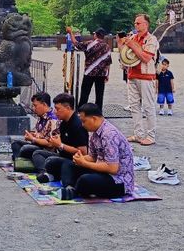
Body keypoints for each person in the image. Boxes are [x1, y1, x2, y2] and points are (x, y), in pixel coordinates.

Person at [60, 103, 135, 201]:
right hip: (102, 172)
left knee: (85, 180)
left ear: (94, 119)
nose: (82, 125)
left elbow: (112, 168)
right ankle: (69, 188)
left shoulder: (109, 135)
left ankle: (75, 191)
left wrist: (84, 163)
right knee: (68, 164)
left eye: (84, 121)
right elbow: (92, 157)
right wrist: (80, 159)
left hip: (118, 181)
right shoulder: (94, 133)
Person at [117, 13, 159, 146]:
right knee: (134, 106)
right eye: (135, 23)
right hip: (132, 75)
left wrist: (131, 44)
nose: (136, 25)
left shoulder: (151, 39)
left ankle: (151, 136)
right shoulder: (133, 37)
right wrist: (121, 45)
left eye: (138, 23)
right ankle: (139, 134)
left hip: (146, 77)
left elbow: (146, 57)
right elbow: (124, 57)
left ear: (146, 25)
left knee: (148, 107)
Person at [33, 93, 88, 182]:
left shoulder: (77, 125)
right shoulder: (63, 123)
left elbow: (83, 152)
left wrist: (60, 145)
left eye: (58, 109)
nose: (55, 112)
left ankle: (56, 176)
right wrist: (52, 140)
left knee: (51, 161)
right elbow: (58, 143)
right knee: (38, 153)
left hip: (73, 160)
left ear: (68, 108)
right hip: (62, 156)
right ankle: (50, 174)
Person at [66, 26, 112, 110]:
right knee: (99, 95)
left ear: (95, 35)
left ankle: (81, 110)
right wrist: (107, 74)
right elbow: (108, 63)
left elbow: (75, 43)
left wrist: (70, 32)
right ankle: (98, 112)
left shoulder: (90, 44)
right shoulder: (107, 47)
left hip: (89, 72)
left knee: (85, 93)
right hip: (101, 74)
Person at [10, 92, 59, 163]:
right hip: (37, 145)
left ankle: (22, 161)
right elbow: (39, 134)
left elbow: (50, 144)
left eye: (35, 106)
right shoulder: (41, 116)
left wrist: (33, 139)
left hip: (46, 150)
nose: (33, 108)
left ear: (44, 105)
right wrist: (33, 135)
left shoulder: (53, 119)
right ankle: (21, 162)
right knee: (15, 144)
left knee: (25, 149)